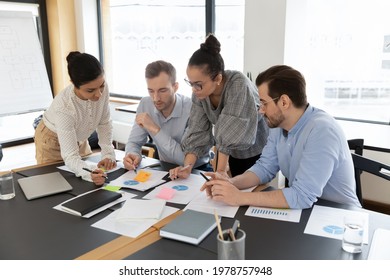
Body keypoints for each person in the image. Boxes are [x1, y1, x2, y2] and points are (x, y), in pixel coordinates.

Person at [201, 65, 362, 209]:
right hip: (307, 212)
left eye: (264, 103)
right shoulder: (278, 126)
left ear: (284, 102)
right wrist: (229, 184)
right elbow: (264, 168)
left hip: (339, 216)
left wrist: (239, 197)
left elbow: (301, 196)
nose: (261, 110)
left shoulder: (323, 131)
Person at [169, 34, 269, 179]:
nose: (194, 89)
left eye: (198, 84)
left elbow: (229, 131)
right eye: (191, 83)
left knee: (249, 192)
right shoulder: (200, 93)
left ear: (218, 78)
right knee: (230, 191)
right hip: (231, 152)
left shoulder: (238, 84)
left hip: (256, 150)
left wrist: (220, 172)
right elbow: (197, 129)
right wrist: (187, 166)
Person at [34, 51, 116, 185]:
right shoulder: (65, 107)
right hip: (51, 139)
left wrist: (108, 154)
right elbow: (71, 156)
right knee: (56, 185)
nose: (99, 94)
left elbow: (104, 122)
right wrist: (89, 172)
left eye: (101, 86)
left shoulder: (102, 88)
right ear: (73, 83)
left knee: (86, 184)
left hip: (79, 135)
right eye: (90, 91)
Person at [123, 60, 210, 171]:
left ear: (175, 87)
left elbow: (184, 160)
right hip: (165, 167)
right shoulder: (145, 104)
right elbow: (134, 142)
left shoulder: (193, 109)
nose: (156, 98)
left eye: (162, 90)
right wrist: (133, 154)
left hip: (197, 169)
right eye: (151, 91)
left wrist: (154, 129)